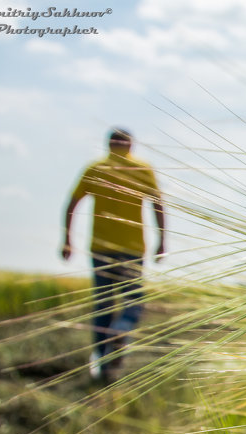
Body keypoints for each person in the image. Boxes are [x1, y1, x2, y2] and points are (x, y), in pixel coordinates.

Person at [61, 127, 166, 383]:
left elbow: (72, 204)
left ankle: (101, 362)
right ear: (130, 145)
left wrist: (67, 239)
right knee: (133, 303)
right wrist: (162, 240)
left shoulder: (96, 168)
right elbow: (158, 205)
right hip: (132, 248)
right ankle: (121, 332)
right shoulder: (142, 169)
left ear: (109, 145)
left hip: (100, 247)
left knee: (103, 305)